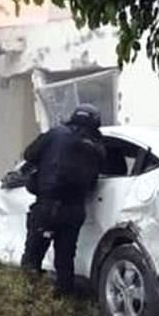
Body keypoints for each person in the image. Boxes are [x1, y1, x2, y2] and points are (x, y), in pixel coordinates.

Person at [19, 104, 105, 297]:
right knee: (65, 260)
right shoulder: (98, 147)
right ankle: (64, 303)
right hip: (75, 210)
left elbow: (29, 154)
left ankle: (26, 303)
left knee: (33, 257)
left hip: (48, 207)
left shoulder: (56, 134)